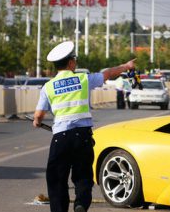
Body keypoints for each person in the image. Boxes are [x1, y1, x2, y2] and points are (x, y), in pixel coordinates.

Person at [32, 41, 135, 212]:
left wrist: (36, 121)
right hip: (83, 137)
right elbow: (108, 73)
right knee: (83, 177)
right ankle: (80, 204)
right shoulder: (83, 79)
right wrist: (126, 65)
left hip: (61, 139)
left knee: (57, 179)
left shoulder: (48, 87)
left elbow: (38, 115)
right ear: (71, 63)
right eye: (75, 60)